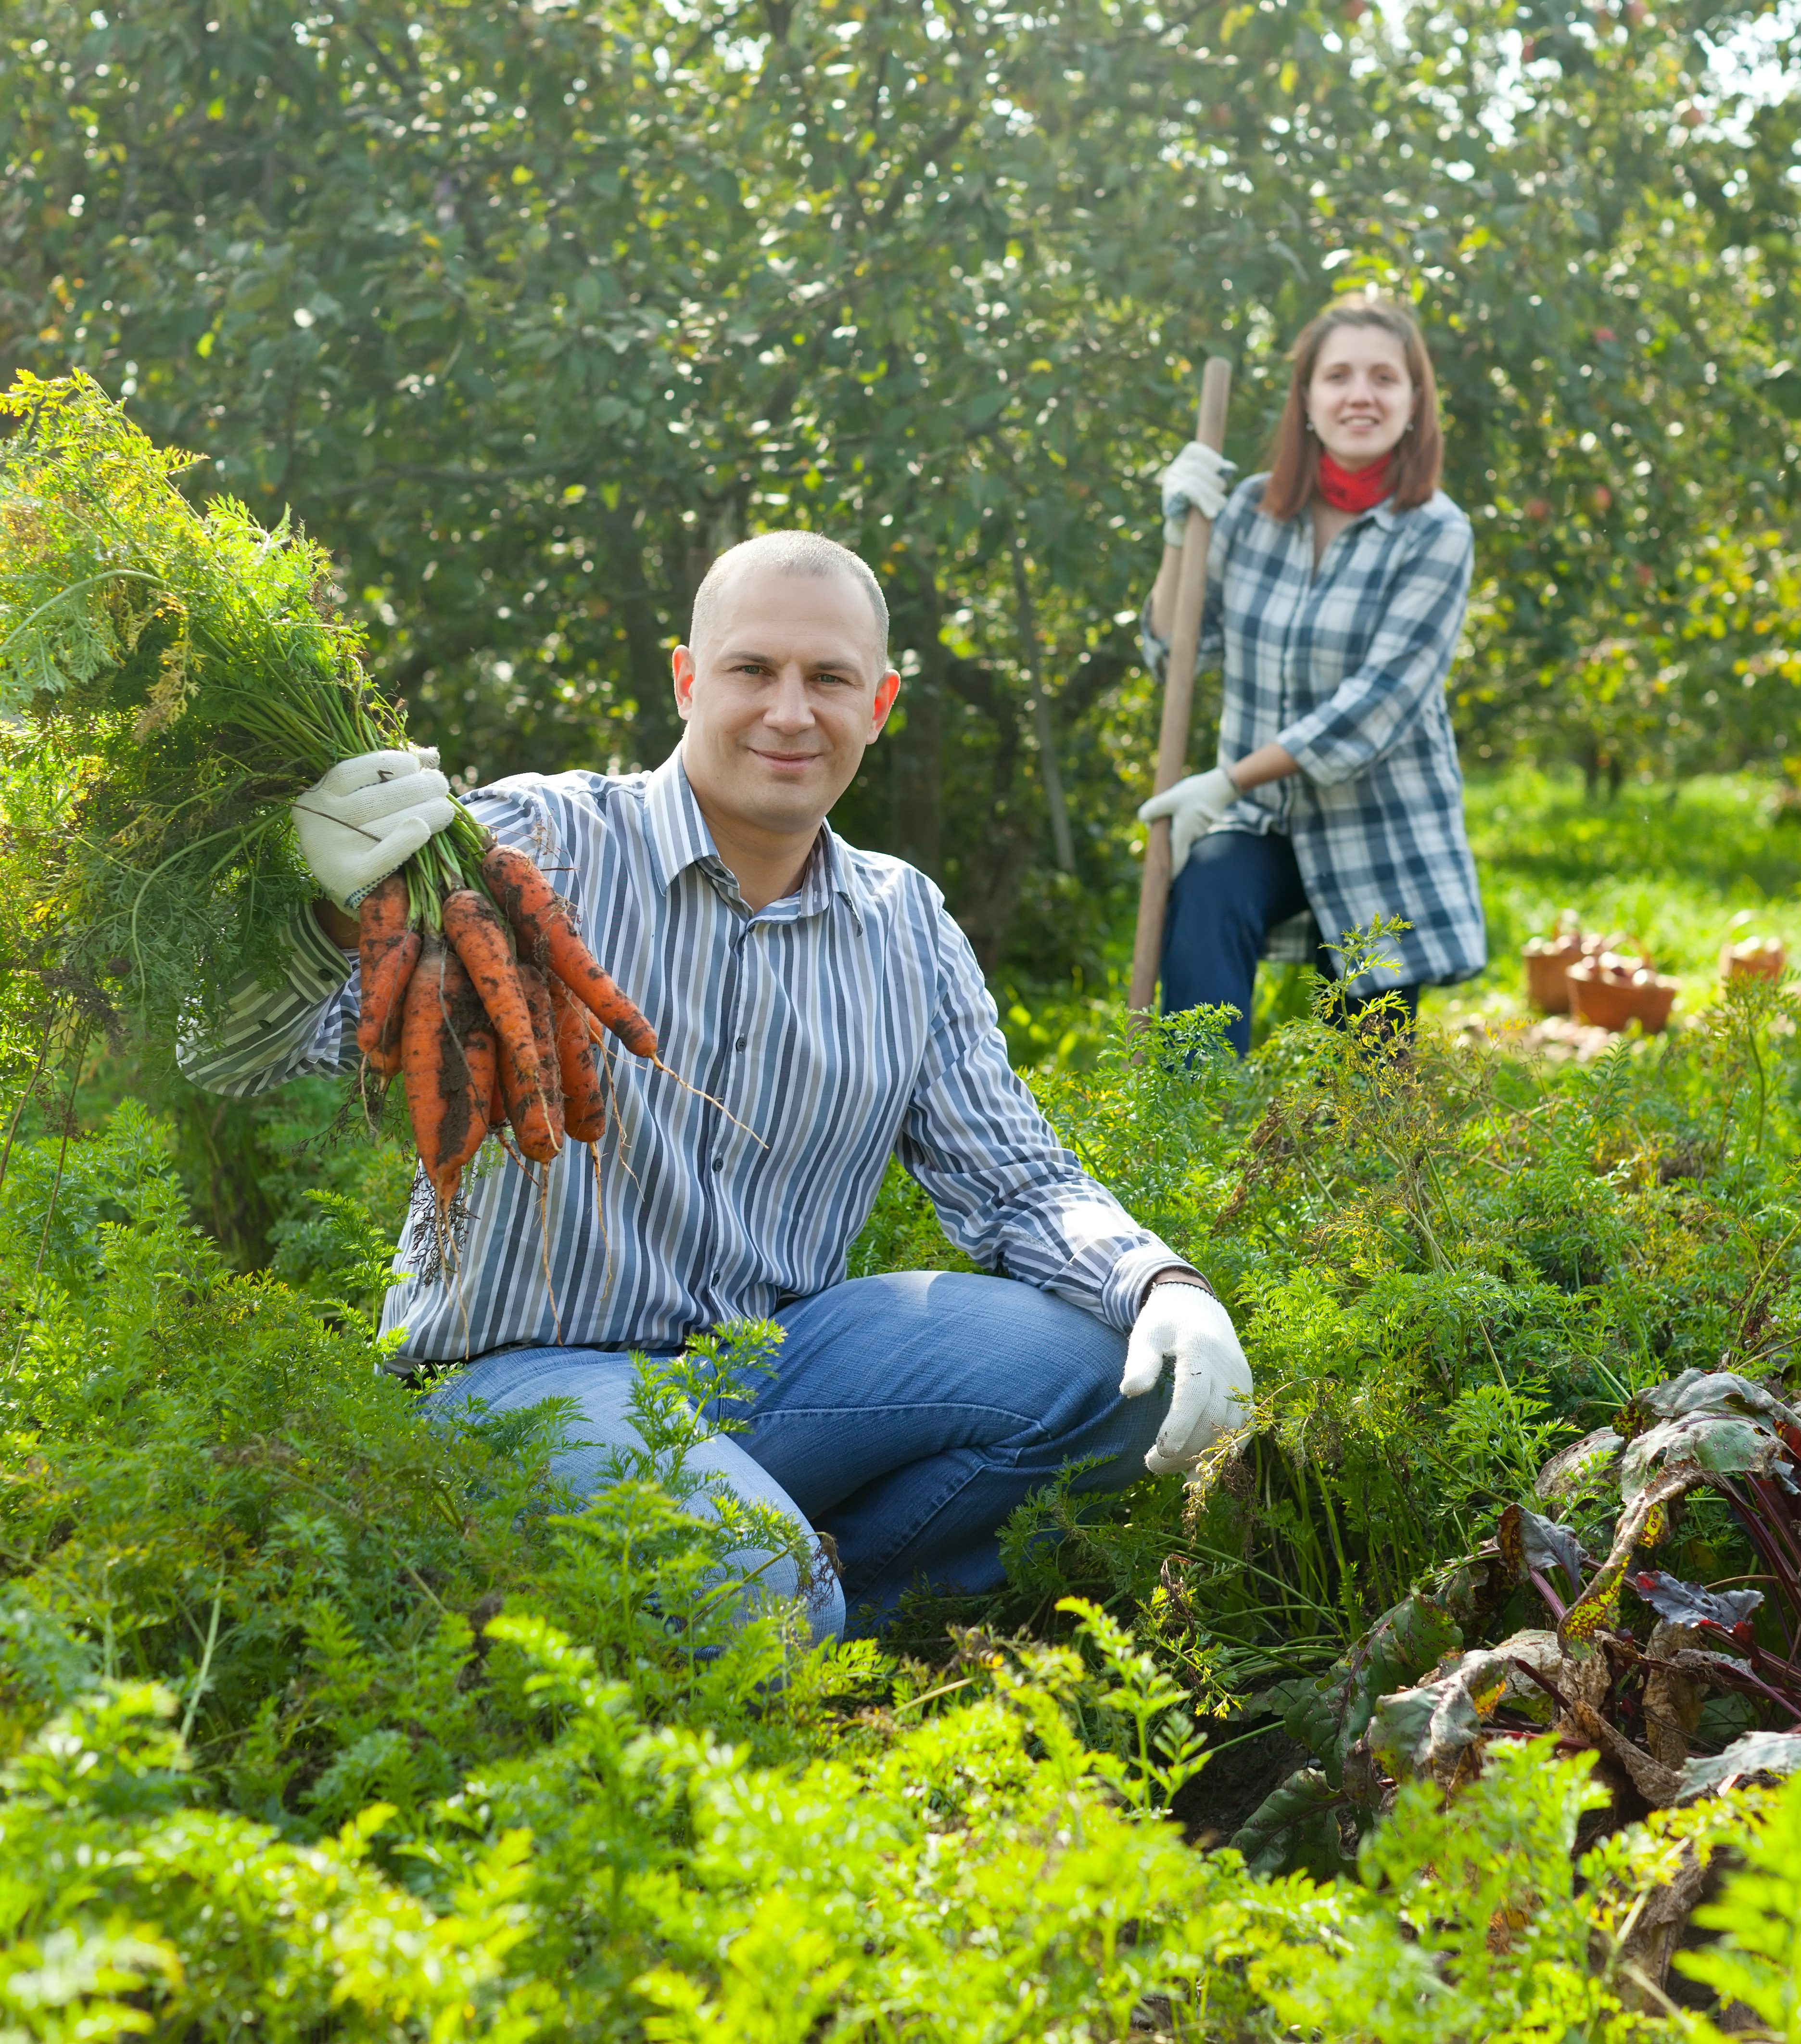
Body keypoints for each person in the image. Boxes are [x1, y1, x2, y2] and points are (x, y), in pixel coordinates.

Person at [185, 531, 1253, 1641]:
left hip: (774, 1373)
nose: (791, 712)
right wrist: (316, 912)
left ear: (879, 704)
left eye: (830, 679)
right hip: (523, 1376)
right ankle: (757, 1601)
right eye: (753, 671)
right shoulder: (527, 842)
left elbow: (1017, 1184)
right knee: (761, 1587)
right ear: (689, 681)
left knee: (1109, 1381)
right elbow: (234, 1055)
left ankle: (834, 1605)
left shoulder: (904, 925)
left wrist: (1163, 1284)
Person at [1137, 296, 1486, 1056]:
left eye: (1384, 378)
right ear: (1306, 400)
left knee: (1363, 1098)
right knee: (1208, 889)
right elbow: (1177, 656)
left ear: (1415, 403)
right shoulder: (1250, 514)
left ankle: (1345, 1162)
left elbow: (1377, 706)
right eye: (1338, 376)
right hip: (1264, 824)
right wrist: (1176, 536)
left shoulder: (1436, 533)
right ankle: (1190, 1137)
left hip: (1379, 832)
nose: (1360, 394)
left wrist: (1226, 781)